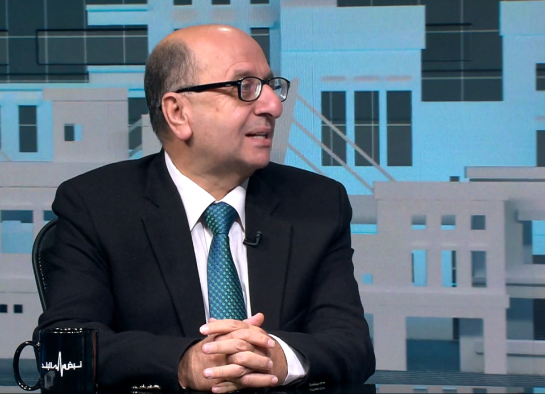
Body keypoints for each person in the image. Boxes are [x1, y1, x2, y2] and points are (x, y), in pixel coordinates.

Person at [35, 24, 375, 392]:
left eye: (271, 86)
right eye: (245, 87)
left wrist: (278, 358)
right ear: (178, 112)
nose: (274, 106)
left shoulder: (317, 203)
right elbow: (66, 344)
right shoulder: (95, 205)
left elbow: (351, 345)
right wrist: (185, 363)